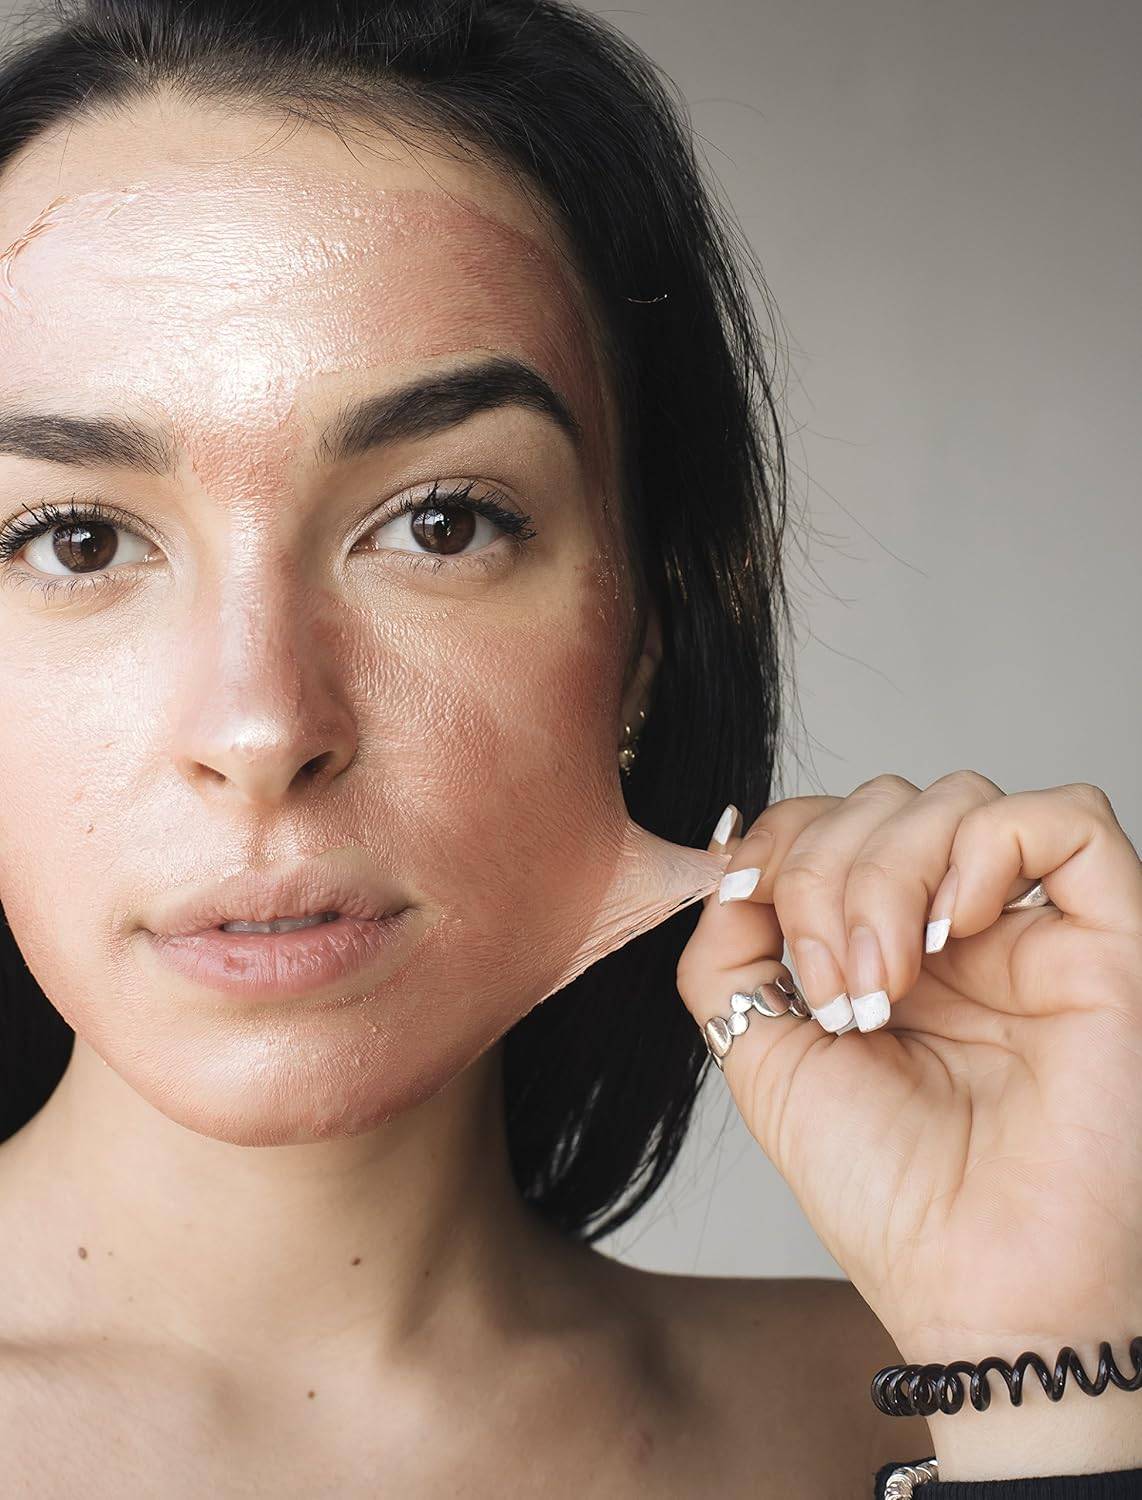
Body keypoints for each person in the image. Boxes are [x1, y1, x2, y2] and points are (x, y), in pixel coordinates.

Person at [0, 2, 1138, 1495]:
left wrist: (1051, 1366)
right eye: (76, 539)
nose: (264, 726)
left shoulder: (935, 1414)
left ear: (648, 628)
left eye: (441, 522)